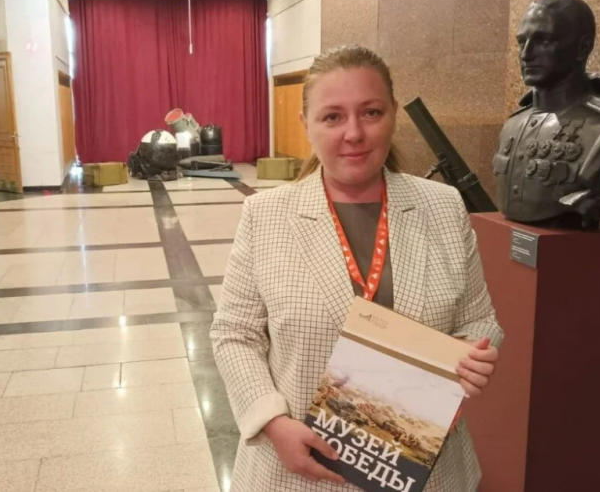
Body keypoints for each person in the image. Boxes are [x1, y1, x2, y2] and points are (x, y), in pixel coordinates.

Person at [210, 45, 504, 492]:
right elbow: (234, 334)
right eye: (332, 117)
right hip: (301, 469)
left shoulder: (443, 206)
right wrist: (271, 422)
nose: (354, 133)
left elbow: (479, 318)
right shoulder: (266, 215)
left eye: (371, 112)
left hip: (426, 468)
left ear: (393, 115)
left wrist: (472, 355)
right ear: (306, 124)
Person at [494, 0, 600, 227]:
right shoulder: (512, 125)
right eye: (522, 42)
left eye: (544, 40)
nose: (526, 54)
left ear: (582, 47)